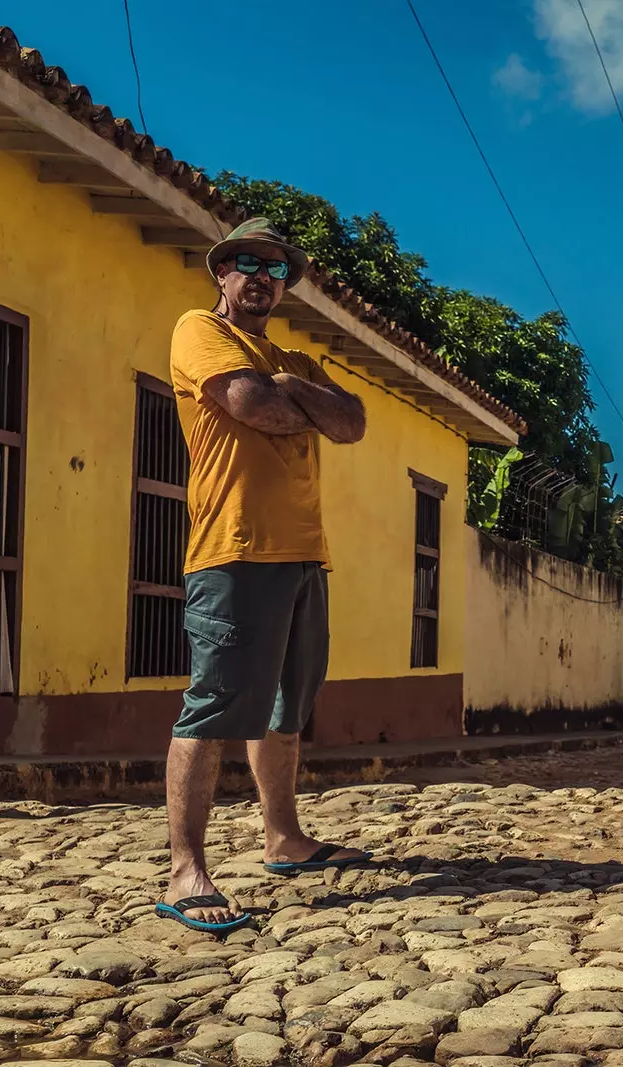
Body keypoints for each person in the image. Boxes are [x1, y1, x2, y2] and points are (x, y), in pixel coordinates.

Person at [158, 218, 369, 933]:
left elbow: (354, 423)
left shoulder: (290, 358)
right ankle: (186, 869)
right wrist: (289, 395)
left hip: (305, 554)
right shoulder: (198, 330)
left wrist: (288, 385)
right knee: (213, 708)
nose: (260, 275)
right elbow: (253, 407)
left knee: (288, 707)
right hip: (236, 549)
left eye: (274, 268)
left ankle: (285, 836)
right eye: (246, 262)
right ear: (221, 272)